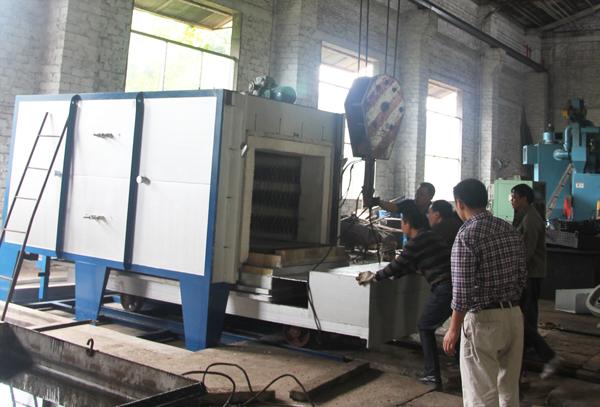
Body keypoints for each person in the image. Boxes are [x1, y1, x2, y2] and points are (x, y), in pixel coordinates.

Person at [443, 178, 526, 407]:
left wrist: (453, 329)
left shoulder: (466, 236)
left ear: (460, 203)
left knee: (481, 394)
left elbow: (462, 293)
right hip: (514, 317)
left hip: (483, 322)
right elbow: (521, 279)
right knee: (509, 390)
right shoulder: (510, 229)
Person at [356, 208, 452, 388]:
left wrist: (376, 276)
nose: (402, 226)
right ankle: (450, 365)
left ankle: (432, 375)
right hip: (453, 287)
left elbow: (398, 263)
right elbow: (415, 264)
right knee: (447, 327)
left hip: (444, 288)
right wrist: (398, 274)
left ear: (407, 224)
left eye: (401, 223)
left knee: (425, 326)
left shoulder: (416, 242)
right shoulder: (432, 237)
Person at [511, 184, 563, 380]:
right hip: (528, 273)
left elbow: (527, 250)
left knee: (525, 316)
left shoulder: (531, 219)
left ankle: (541, 352)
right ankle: (528, 347)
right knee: (526, 316)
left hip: (530, 274)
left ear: (524, 199)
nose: (512, 200)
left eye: (514, 196)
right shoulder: (523, 215)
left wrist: (515, 271)